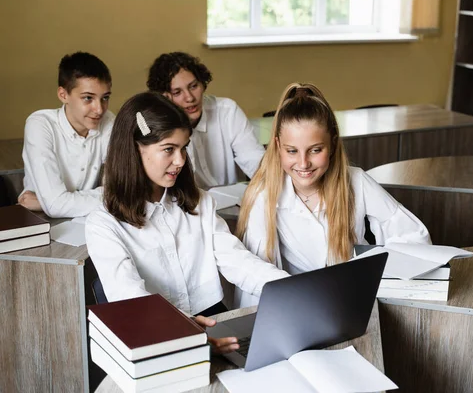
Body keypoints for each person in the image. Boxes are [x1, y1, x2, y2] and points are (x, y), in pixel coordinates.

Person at [85, 92, 288, 353]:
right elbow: (129, 296)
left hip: (214, 320)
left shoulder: (199, 202)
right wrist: (185, 330)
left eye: (183, 148)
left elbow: (237, 260)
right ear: (134, 149)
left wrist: (287, 288)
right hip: (155, 332)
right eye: (169, 149)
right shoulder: (103, 224)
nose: (180, 161)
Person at [235, 83, 431, 307]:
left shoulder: (356, 181)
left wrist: (377, 270)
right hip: (297, 303)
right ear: (278, 146)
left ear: (333, 143)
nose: (303, 163)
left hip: (355, 297)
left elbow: (414, 235)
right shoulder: (264, 193)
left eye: (315, 150)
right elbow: (255, 275)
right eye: (292, 151)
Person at [146, 52, 265, 189]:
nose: (189, 98)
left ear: (203, 84)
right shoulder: (161, 125)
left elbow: (254, 159)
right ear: (165, 97)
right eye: (177, 92)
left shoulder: (227, 111)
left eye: (193, 86)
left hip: (233, 203)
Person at [19, 52, 114, 217]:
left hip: (86, 222)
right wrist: (53, 205)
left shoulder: (109, 121)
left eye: (105, 98)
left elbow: (123, 192)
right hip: (39, 222)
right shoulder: (40, 125)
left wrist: (45, 203)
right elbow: (116, 199)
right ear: (63, 95)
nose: (99, 109)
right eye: (88, 98)